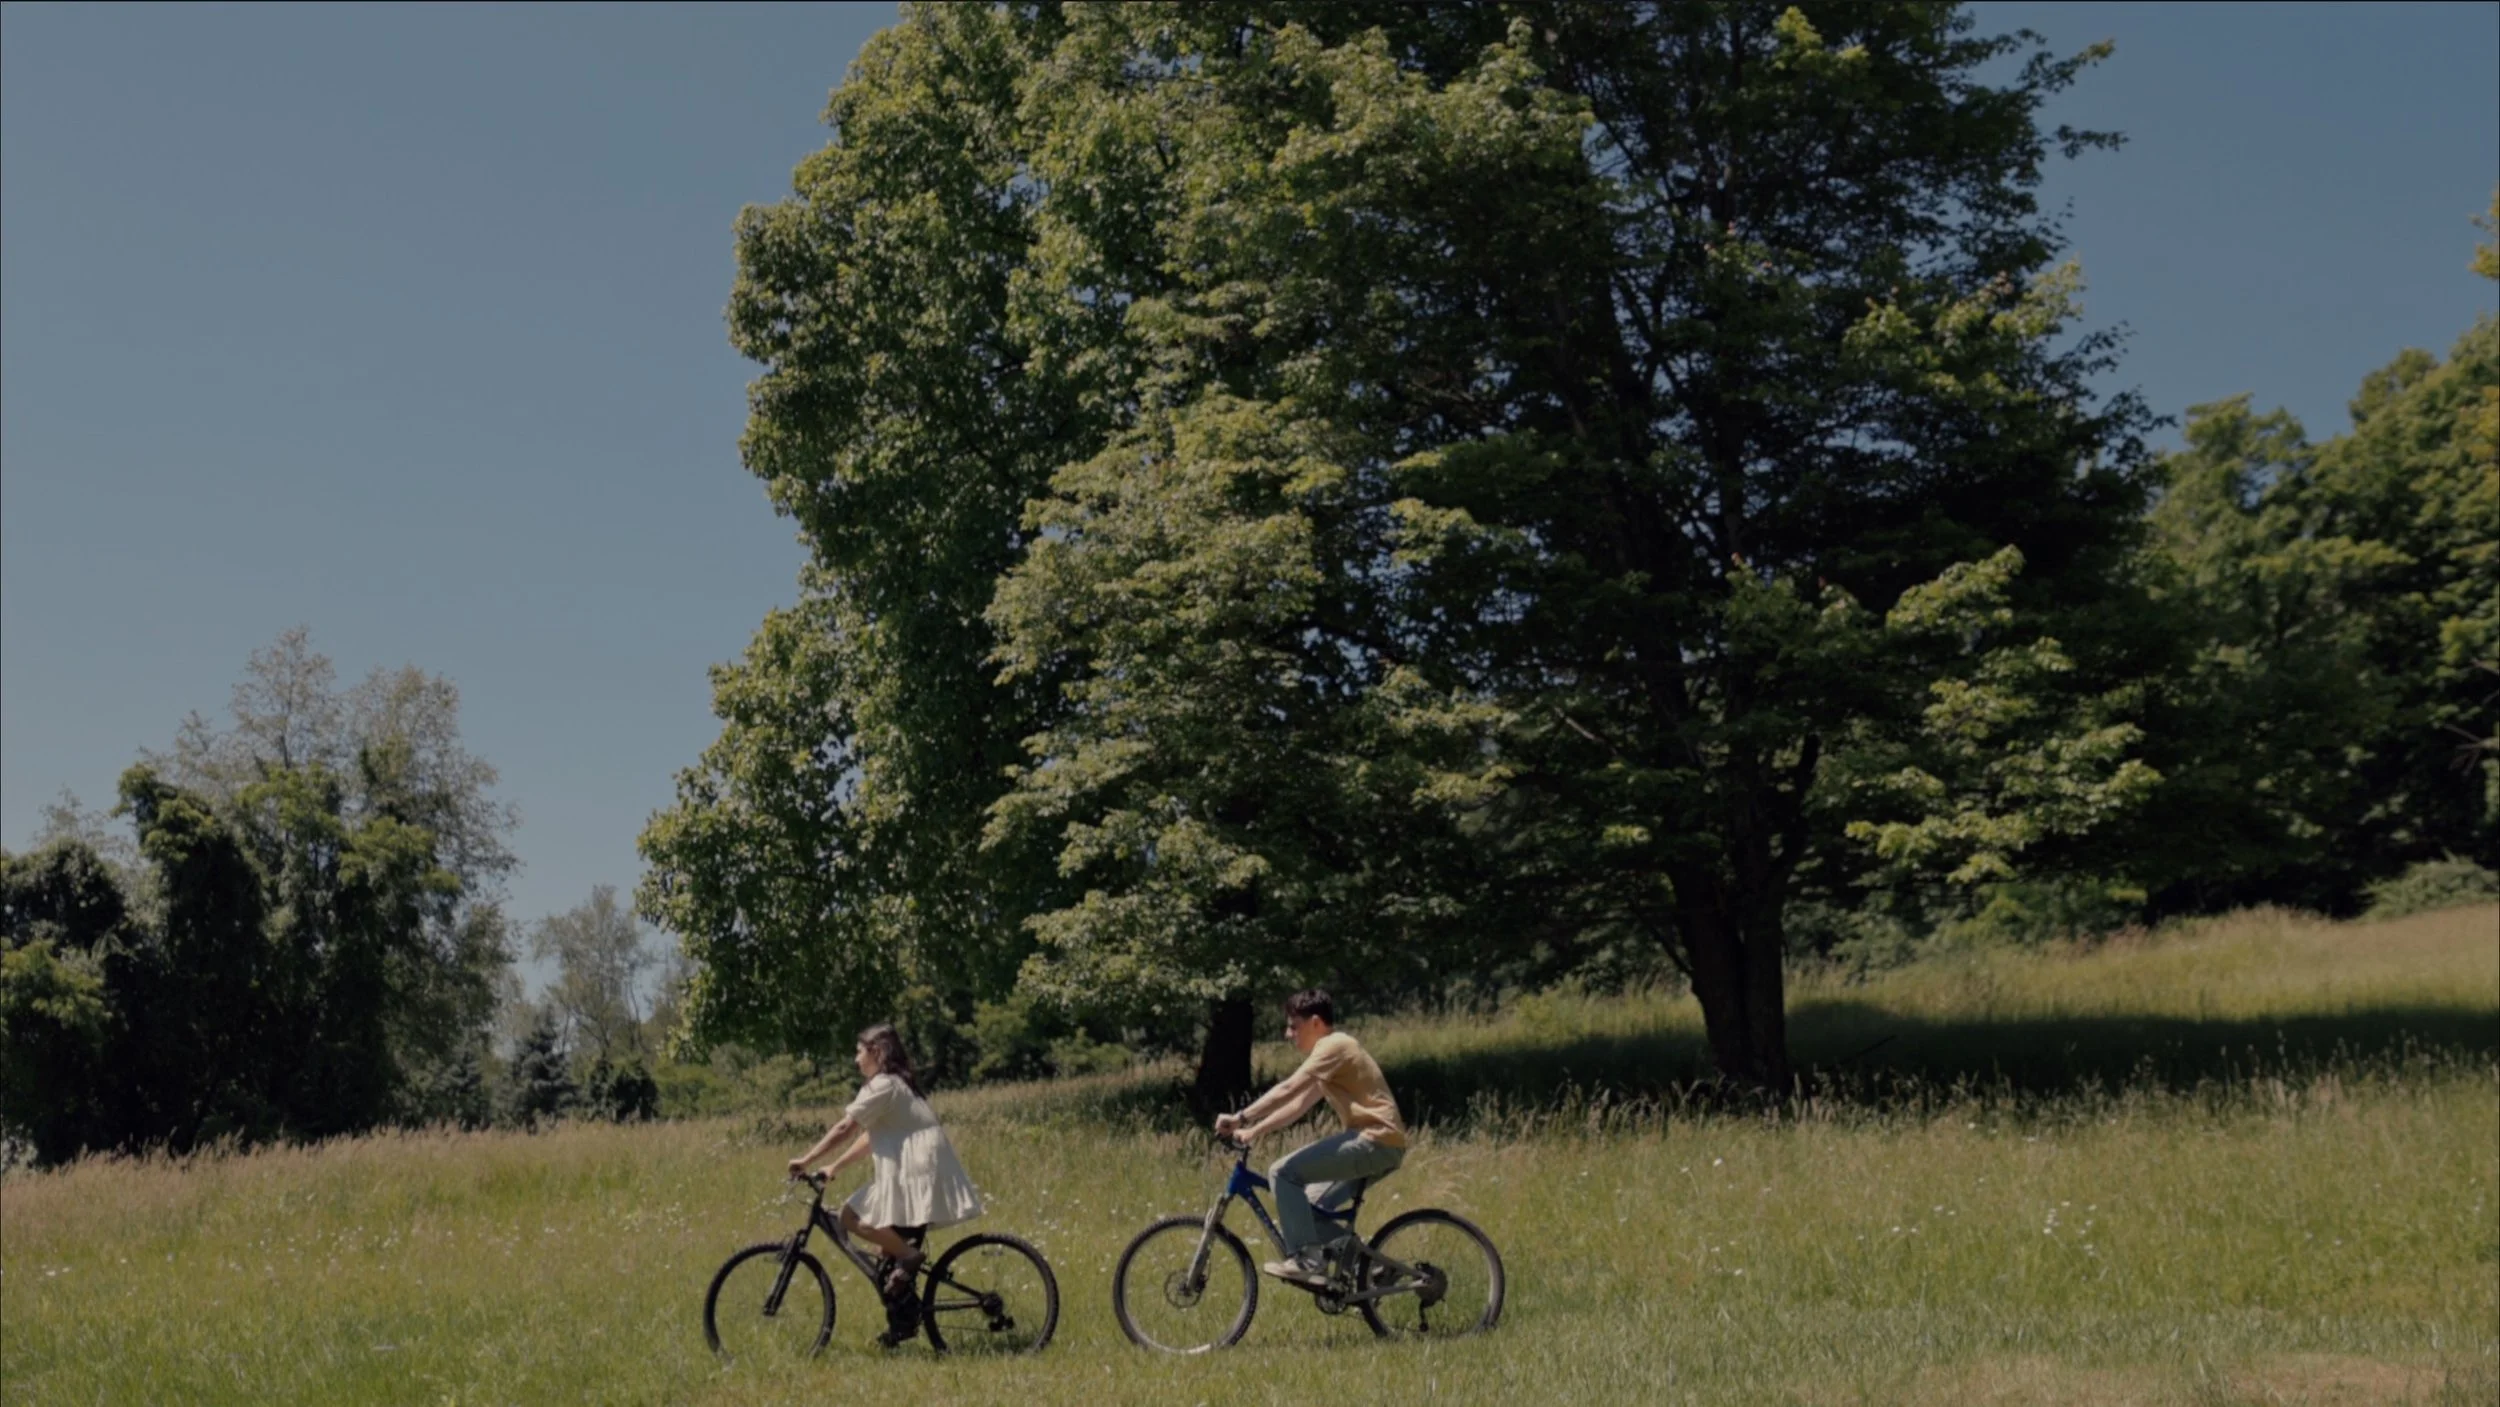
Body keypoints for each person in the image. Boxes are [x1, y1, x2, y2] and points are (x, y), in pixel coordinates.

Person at [1213, 988, 1408, 1288]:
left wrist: (1240, 1117)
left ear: (1316, 1023)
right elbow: (1298, 1105)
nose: (1288, 1034)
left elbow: (1289, 1088)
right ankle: (1372, 1267)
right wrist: (1254, 1131)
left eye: (1294, 1025)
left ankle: (1308, 1259)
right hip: (1378, 1144)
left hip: (1374, 1140)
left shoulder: (1334, 1045)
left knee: (1282, 1172)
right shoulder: (1330, 1058)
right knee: (1305, 1209)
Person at [789, 1024, 983, 1322]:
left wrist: (807, 1158)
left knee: (849, 1217)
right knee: (886, 1255)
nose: (855, 1060)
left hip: (916, 1169)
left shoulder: (884, 1085)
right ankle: (901, 1325)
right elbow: (870, 1138)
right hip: (918, 1168)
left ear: (876, 1052)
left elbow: (846, 1127)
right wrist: (833, 1167)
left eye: (859, 1051)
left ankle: (911, 1258)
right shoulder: (896, 1085)